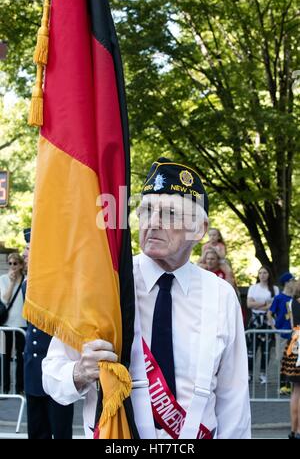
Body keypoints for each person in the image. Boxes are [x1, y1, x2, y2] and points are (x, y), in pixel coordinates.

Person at [42, 158, 251, 439]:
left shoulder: (221, 295)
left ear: (199, 229)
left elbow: (233, 399)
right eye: (147, 211)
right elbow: (52, 375)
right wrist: (80, 371)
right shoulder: (106, 284)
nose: (152, 223)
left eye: (169, 214)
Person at [23, 228, 74, 439]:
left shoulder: (61, 283)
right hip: (33, 369)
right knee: (36, 431)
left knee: (60, 431)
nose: (25, 253)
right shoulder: (28, 282)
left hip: (55, 368)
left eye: (29, 248)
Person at [247, 267, 279, 384]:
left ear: (269, 274)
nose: (262, 275)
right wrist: (265, 303)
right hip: (255, 321)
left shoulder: (274, 289)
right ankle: (249, 374)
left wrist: (260, 305)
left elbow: (273, 306)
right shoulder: (253, 288)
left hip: (267, 321)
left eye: (265, 272)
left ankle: (263, 374)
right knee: (251, 349)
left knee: (266, 349)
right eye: (260, 273)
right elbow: (249, 304)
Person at [0, 253, 26, 394]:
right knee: (5, 355)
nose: (12, 266)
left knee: (21, 356)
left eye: (15, 263)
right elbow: (5, 300)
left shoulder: (26, 280)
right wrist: (11, 282)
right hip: (6, 324)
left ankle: (19, 389)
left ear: (21, 265)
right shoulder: (3, 279)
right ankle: (5, 388)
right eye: (9, 263)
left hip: (22, 323)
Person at [267, 272, 295, 394]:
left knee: (291, 359)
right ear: (286, 283)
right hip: (281, 332)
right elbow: (269, 313)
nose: (294, 283)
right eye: (292, 280)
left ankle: (289, 385)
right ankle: (282, 384)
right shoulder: (278, 298)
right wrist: (274, 327)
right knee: (281, 358)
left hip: (293, 333)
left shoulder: (294, 298)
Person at [280, 280, 300, 439]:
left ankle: (294, 430)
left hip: (294, 343)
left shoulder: (292, 302)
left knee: (296, 390)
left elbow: (294, 324)